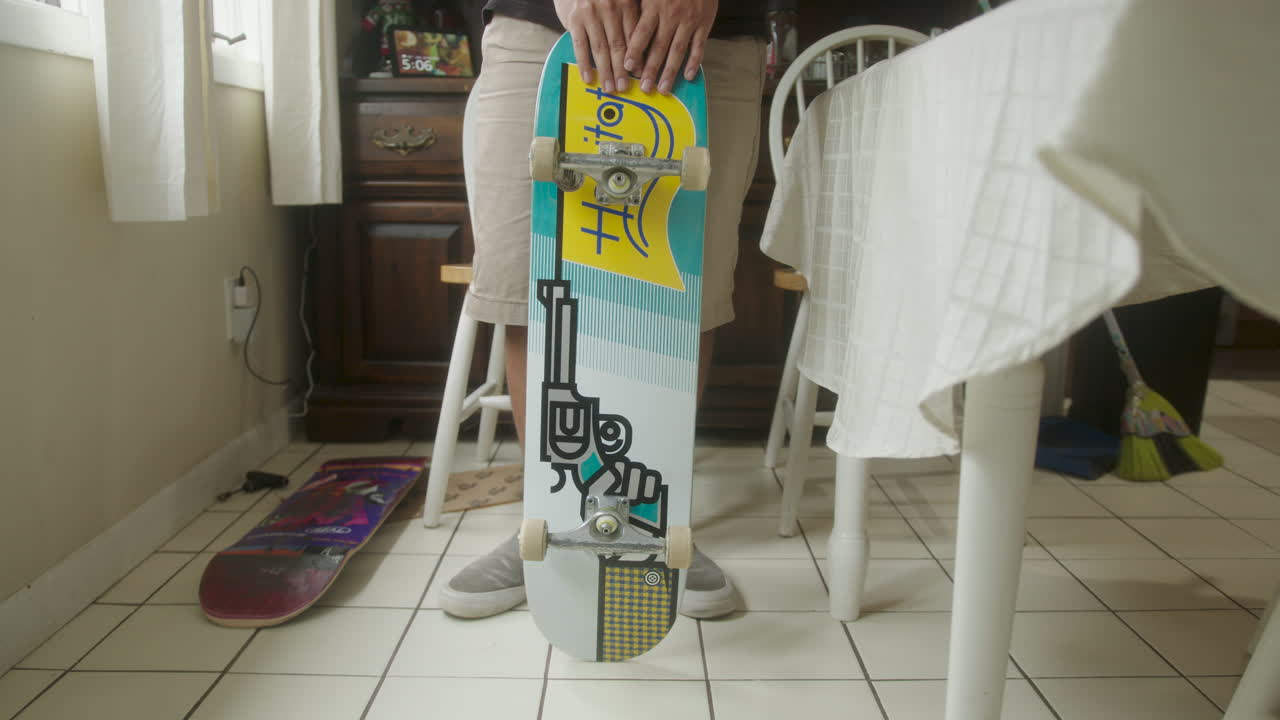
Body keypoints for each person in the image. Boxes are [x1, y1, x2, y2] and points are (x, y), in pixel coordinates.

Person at [443, 0, 767, 619]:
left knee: (678, 295)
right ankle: (547, 519)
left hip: (704, 36)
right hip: (542, 24)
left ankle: (653, 523)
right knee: (530, 290)